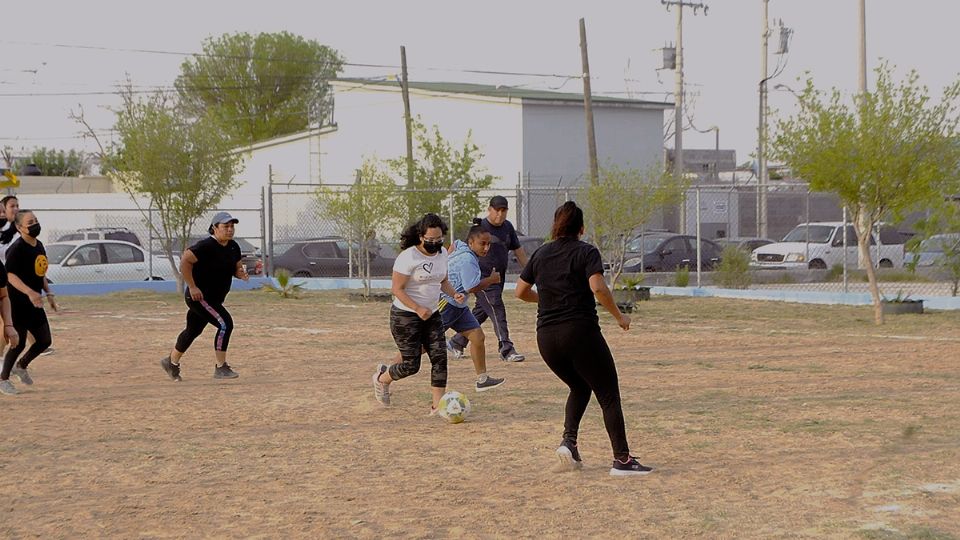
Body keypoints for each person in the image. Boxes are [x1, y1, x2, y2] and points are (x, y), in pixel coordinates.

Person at [515, 201, 652, 476]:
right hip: (578, 333)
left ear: (555, 226)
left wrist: (550, 299)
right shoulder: (586, 251)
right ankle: (622, 461)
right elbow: (598, 288)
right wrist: (619, 316)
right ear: (581, 228)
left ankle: (570, 445)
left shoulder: (540, 254)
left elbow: (520, 292)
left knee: (579, 387)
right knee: (608, 394)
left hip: (546, 339)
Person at [385, 218, 506, 393]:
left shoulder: (458, 248)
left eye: (488, 244)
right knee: (423, 347)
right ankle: (388, 369)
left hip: (458, 303)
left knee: (478, 337)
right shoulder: (468, 260)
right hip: (445, 304)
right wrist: (491, 280)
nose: (486, 248)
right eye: (482, 244)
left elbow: (451, 250)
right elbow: (471, 287)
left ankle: (482, 379)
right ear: (470, 242)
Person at [373, 213, 464, 412]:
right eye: (430, 240)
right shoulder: (408, 257)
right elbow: (397, 289)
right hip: (405, 316)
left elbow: (442, 281)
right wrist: (417, 308)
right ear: (421, 236)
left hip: (432, 315)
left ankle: (437, 406)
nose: (435, 243)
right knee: (411, 365)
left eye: (439, 239)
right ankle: (382, 378)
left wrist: (455, 294)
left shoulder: (443, 254)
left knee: (440, 357)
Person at [161, 212, 249, 382]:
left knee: (193, 330)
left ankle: (171, 362)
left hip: (214, 299)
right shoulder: (205, 246)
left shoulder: (233, 247)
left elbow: (236, 268)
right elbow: (185, 261)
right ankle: (221, 367)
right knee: (225, 324)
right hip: (200, 297)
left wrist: (241, 274)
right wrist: (192, 286)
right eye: (226, 226)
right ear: (215, 228)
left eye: (232, 226)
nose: (230, 230)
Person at [448, 195, 528, 362]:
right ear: (489, 210)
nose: (500, 214)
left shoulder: (508, 227)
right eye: (497, 210)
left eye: (504, 210)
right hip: (483, 278)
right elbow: (459, 247)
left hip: (498, 277)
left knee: (483, 311)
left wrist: (530, 272)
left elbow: (518, 250)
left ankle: (457, 342)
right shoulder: (480, 228)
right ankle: (506, 348)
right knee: (497, 307)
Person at [1, 210, 56, 395]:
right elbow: (10, 276)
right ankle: (3, 379)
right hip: (18, 303)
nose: (35, 224)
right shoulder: (16, 249)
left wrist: (49, 293)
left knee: (44, 340)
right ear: (19, 227)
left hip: (35, 302)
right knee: (19, 343)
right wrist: (30, 292)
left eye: (36, 221)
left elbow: (41, 272)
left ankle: (21, 366)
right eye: (30, 222)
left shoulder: (39, 245)